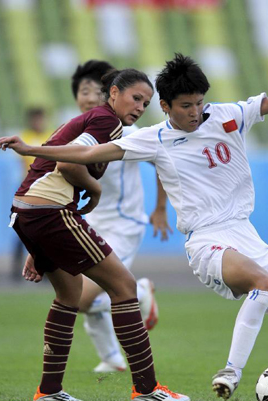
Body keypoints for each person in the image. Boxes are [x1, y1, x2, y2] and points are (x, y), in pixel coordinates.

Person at [0, 53, 268, 401]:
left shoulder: (226, 115)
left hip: (244, 231)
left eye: (200, 103)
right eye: (186, 105)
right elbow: (87, 155)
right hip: (205, 238)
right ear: (166, 105)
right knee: (253, 285)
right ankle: (222, 374)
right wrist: (31, 148)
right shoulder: (147, 136)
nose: (195, 112)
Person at [1, 67, 189, 401]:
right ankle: (146, 388)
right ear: (113, 93)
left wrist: (39, 245)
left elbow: (54, 165)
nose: (139, 107)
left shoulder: (93, 119)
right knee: (124, 286)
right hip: (51, 211)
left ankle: (49, 390)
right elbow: (69, 167)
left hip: (26, 210)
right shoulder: (108, 122)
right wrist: (96, 190)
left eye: (145, 103)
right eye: (135, 98)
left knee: (70, 295)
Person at [70, 60, 169, 373]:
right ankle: (111, 357)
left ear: (108, 94)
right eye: (83, 91)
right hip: (90, 223)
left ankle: (139, 292)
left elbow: (162, 161)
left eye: (95, 91)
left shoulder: (125, 129)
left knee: (81, 298)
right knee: (73, 292)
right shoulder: (80, 129)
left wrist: (160, 208)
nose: (89, 97)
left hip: (123, 224)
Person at [12, 108, 51, 280]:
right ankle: (16, 270)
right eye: (35, 119)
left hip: (46, 191)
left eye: (40, 119)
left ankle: (47, 270)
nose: (38, 122)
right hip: (28, 190)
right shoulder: (24, 137)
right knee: (21, 228)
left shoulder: (51, 136)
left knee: (46, 231)